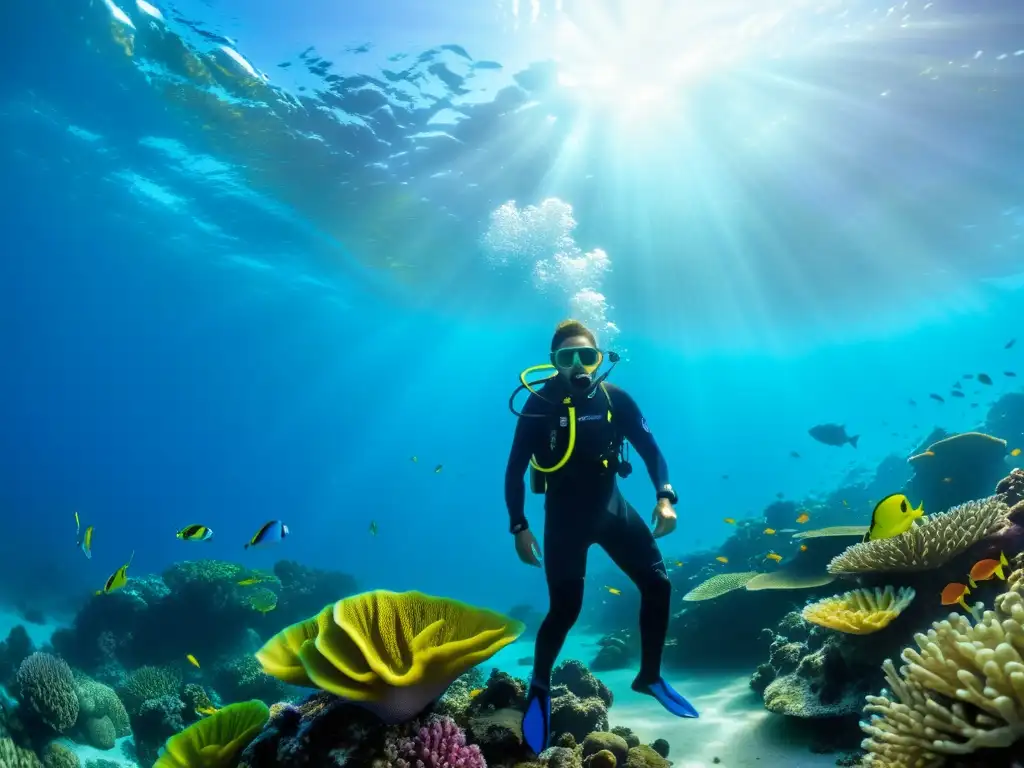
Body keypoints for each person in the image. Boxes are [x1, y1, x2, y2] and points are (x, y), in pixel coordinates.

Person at [504, 319, 698, 755]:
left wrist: (665, 497)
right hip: (564, 520)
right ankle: (539, 687)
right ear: (553, 363)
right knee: (565, 609)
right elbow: (514, 470)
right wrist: (519, 526)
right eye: (566, 357)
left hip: (614, 511)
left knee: (658, 584)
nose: (578, 365)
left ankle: (649, 676)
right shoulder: (538, 406)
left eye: (586, 356)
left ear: (598, 359)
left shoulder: (616, 399)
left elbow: (652, 451)